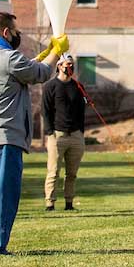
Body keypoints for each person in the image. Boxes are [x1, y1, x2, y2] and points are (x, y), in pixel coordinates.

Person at [0, 12, 66, 256]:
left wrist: (42, 57)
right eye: (16, 31)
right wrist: (56, 51)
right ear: (6, 33)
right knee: (2, 195)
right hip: (2, 137)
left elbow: (25, 69)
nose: (18, 35)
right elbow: (39, 74)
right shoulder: (6, 57)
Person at [42, 52, 87, 212]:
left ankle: (69, 203)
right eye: (67, 64)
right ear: (59, 66)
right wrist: (49, 133)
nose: (70, 67)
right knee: (53, 171)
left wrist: (81, 132)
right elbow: (45, 110)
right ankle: (50, 203)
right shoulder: (50, 86)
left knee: (72, 173)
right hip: (57, 134)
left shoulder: (77, 87)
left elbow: (82, 111)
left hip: (75, 135)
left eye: (72, 64)